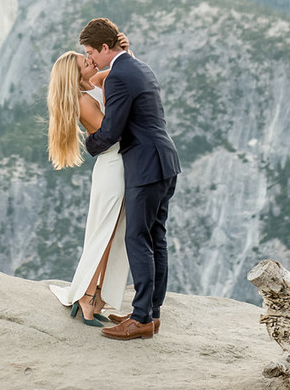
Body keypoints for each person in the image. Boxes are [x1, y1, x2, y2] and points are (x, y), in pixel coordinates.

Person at [80, 17, 181, 341]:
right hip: (165, 162)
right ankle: (151, 313)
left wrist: (88, 144)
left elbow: (112, 130)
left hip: (144, 166)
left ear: (104, 47)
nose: (90, 59)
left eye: (90, 52)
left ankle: (140, 319)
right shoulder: (139, 67)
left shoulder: (119, 76)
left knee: (138, 238)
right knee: (156, 239)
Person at [47, 39, 130, 326]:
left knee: (111, 234)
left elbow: (118, 71)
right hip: (112, 167)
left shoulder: (89, 84)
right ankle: (86, 297)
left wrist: (124, 52)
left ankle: (96, 296)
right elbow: (113, 130)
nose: (91, 61)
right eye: (86, 62)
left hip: (118, 166)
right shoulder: (82, 101)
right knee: (104, 235)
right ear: (76, 74)